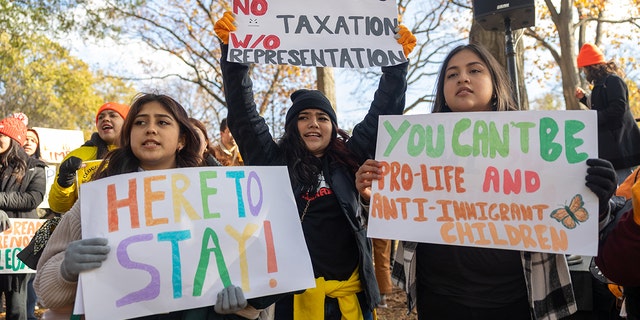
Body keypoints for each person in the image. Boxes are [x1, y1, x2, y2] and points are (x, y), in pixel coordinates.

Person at [354, 43, 618, 320]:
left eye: (475, 70)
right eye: (452, 75)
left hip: (517, 299)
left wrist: (598, 199)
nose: (463, 78)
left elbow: (585, 227)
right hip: (438, 300)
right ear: (443, 91)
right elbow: (390, 217)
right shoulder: (413, 147)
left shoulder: (540, 146)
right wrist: (371, 195)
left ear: (496, 83)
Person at [215, 10, 414, 320]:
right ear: (292, 126)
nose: (313, 124)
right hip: (293, 302)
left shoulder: (350, 157)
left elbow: (383, 111)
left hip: (352, 300)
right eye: (303, 117)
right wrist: (234, 58)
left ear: (332, 127)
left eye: (322, 118)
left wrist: (396, 66)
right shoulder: (272, 161)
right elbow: (243, 114)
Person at [34, 93, 259, 320]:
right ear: (129, 136)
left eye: (162, 122)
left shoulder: (216, 198)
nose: (150, 129)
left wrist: (236, 308)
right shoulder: (97, 199)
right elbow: (45, 294)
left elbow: (252, 276)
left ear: (181, 140)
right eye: (140, 122)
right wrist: (66, 269)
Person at [0, 115, 47, 320]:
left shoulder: (35, 168)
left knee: (18, 307)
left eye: (1, 134)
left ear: (13, 140)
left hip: (17, 248)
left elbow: (32, 198)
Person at [575, 43, 640, 184]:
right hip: (612, 148)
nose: (584, 73)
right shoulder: (601, 84)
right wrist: (584, 99)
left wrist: (592, 119)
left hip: (621, 147)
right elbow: (600, 108)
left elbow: (618, 108)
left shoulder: (613, 81)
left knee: (625, 188)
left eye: (584, 69)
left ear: (591, 67)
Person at [47, 102, 129, 214]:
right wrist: (64, 182)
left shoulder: (139, 153)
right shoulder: (78, 155)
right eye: (100, 117)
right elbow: (58, 207)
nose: (105, 119)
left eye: (112, 115)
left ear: (127, 123)